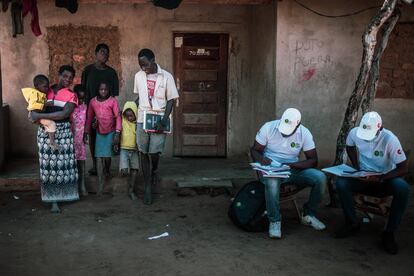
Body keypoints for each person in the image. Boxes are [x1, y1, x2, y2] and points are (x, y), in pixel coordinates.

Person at [334, 111, 410, 255]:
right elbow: (349, 146)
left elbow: (403, 168)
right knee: (342, 184)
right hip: (363, 177)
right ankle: (352, 222)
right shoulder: (355, 132)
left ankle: (389, 232)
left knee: (403, 188)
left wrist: (381, 178)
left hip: (385, 179)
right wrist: (357, 168)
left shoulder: (389, 139)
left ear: (379, 127)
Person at [251, 108, 327, 239]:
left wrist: (293, 165)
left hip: (292, 169)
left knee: (320, 177)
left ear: (298, 124)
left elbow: (313, 160)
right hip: (271, 169)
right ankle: (275, 220)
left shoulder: (304, 133)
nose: (284, 133)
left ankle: (308, 214)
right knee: (272, 182)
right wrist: (261, 160)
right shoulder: (268, 127)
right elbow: (255, 150)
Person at [28, 65, 79, 213]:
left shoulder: (71, 95)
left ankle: (66, 194)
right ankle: (53, 200)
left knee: (64, 166)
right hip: (45, 133)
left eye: (70, 78)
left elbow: (64, 114)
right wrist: (36, 115)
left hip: (63, 133)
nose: (67, 80)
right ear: (59, 75)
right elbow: (34, 106)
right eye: (65, 76)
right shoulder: (46, 89)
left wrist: (40, 116)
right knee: (48, 167)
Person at [133, 48, 179, 205]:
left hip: (160, 118)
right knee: (143, 152)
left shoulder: (166, 76)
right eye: (141, 65)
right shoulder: (138, 76)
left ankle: (154, 170)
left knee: (154, 152)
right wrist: (131, 108)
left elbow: (171, 99)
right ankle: (147, 186)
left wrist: (165, 120)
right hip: (142, 118)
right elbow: (140, 96)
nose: (143, 68)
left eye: (145, 64)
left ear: (153, 60)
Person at [82, 43, 119, 176]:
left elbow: (113, 95)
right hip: (92, 109)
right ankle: (95, 164)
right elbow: (84, 91)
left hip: (107, 111)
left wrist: (110, 112)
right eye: (102, 52)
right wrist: (86, 111)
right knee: (93, 137)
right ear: (96, 54)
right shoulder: (88, 71)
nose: (105, 55)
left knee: (106, 136)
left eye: (107, 53)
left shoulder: (111, 73)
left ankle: (106, 167)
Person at [84, 82, 121, 196]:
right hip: (100, 132)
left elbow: (118, 117)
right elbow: (89, 117)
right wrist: (86, 131)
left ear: (108, 90)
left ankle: (107, 171)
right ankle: (100, 184)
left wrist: (117, 133)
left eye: (105, 89)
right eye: (101, 89)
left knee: (107, 157)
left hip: (111, 131)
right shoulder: (93, 102)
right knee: (99, 157)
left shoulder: (113, 101)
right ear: (98, 90)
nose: (103, 91)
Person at [22, 75, 59, 151]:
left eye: (48, 86)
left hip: (38, 115)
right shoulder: (34, 94)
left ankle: (48, 131)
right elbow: (33, 105)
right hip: (33, 115)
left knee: (48, 124)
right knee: (52, 123)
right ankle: (52, 142)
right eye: (45, 87)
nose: (47, 89)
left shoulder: (40, 94)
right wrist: (46, 104)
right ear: (36, 86)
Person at [119, 101, 139, 200]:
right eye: (127, 116)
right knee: (125, 171)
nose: (129, 118)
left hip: (135, 150)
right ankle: (125, 187)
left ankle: (131, 190)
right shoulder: (123, 120)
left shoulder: (138, 124)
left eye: (131, 116)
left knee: (135, 170)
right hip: (124, 149)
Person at [71, 84, 88, 196]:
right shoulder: (69, 108)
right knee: (71, 165)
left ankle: (82, 185)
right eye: (79, 98)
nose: (81, 100)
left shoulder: (86, 107)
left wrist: (86, 133)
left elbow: (87, 122)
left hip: (80, 140)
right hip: (70, 140)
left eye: (83, 98)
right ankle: (73, 188)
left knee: (81, 163)